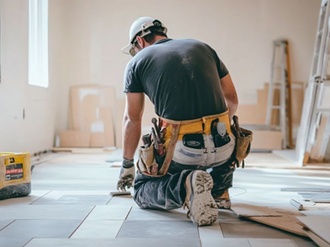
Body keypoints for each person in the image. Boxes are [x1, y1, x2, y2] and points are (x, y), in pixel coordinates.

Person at [117, 16, 239, 227]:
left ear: (139, 41)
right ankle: (219, 191)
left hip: (184, 151)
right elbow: (232, 101)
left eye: (134, 49)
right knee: (227, 135)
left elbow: (132, 119)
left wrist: (127, 165)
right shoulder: (204, 47)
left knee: (142, 190)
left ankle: (185, 186)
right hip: (224, 148)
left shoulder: (136, 62)